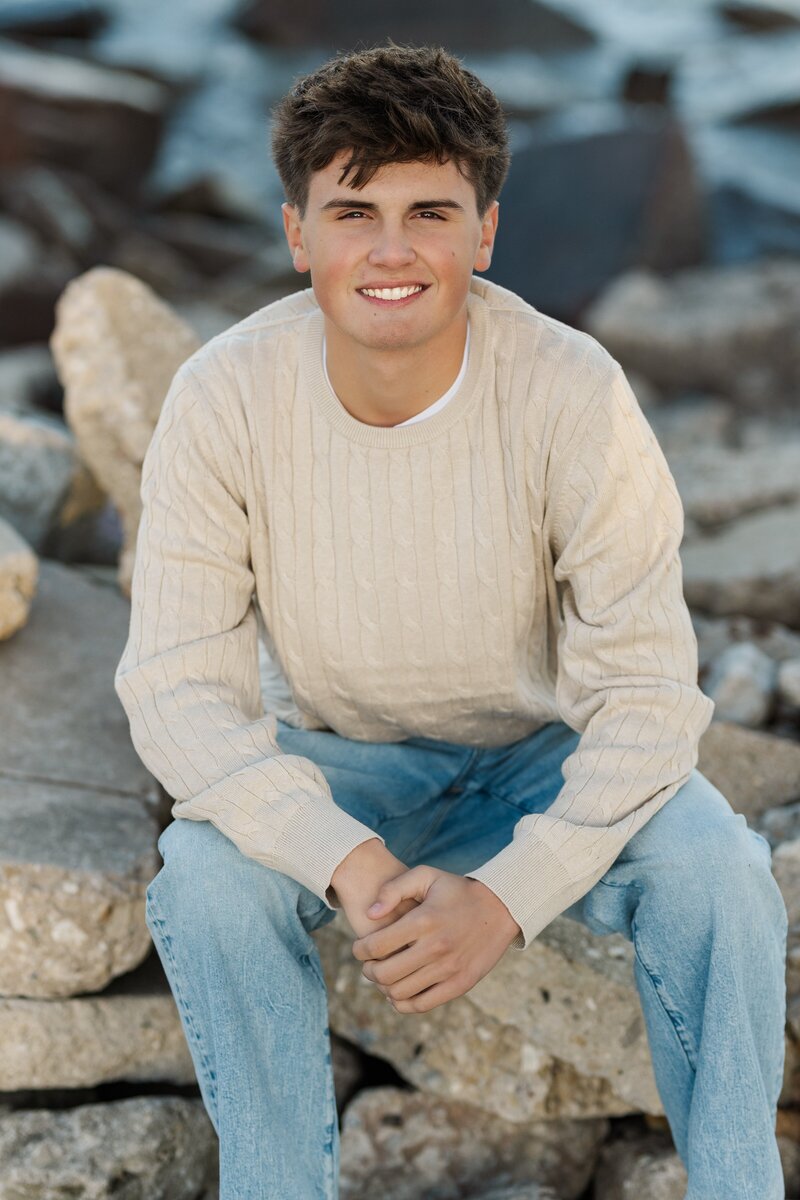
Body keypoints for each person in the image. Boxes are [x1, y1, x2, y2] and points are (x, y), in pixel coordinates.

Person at [114, 42, 788, 1200]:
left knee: (719, 871)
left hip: (541, 754)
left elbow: (644, 693)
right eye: (352, 212)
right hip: (340, 763)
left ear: (483, 234)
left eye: (428, 212)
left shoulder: (572, 391)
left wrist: (508, 899)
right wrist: (344, 859)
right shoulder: (222, 395)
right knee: (206, 878)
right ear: (296, 233)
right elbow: (176, 687)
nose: (390, 251)